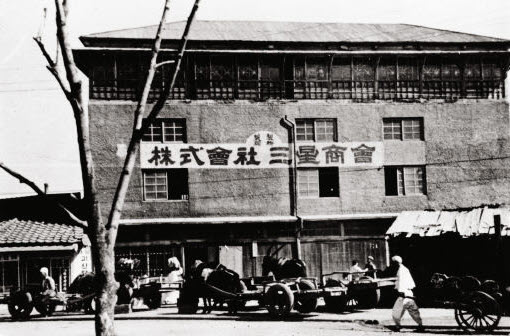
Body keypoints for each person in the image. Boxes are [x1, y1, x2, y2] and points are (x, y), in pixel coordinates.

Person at [391, 255, 424, 332]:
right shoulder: (404, 269)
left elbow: (401, 282)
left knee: (396, 312)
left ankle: (397, 326)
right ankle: (420, 325)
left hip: (403, 294)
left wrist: (400, 292)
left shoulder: (401, 270)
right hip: (409, 293)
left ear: (395, 263)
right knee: (413, 310)